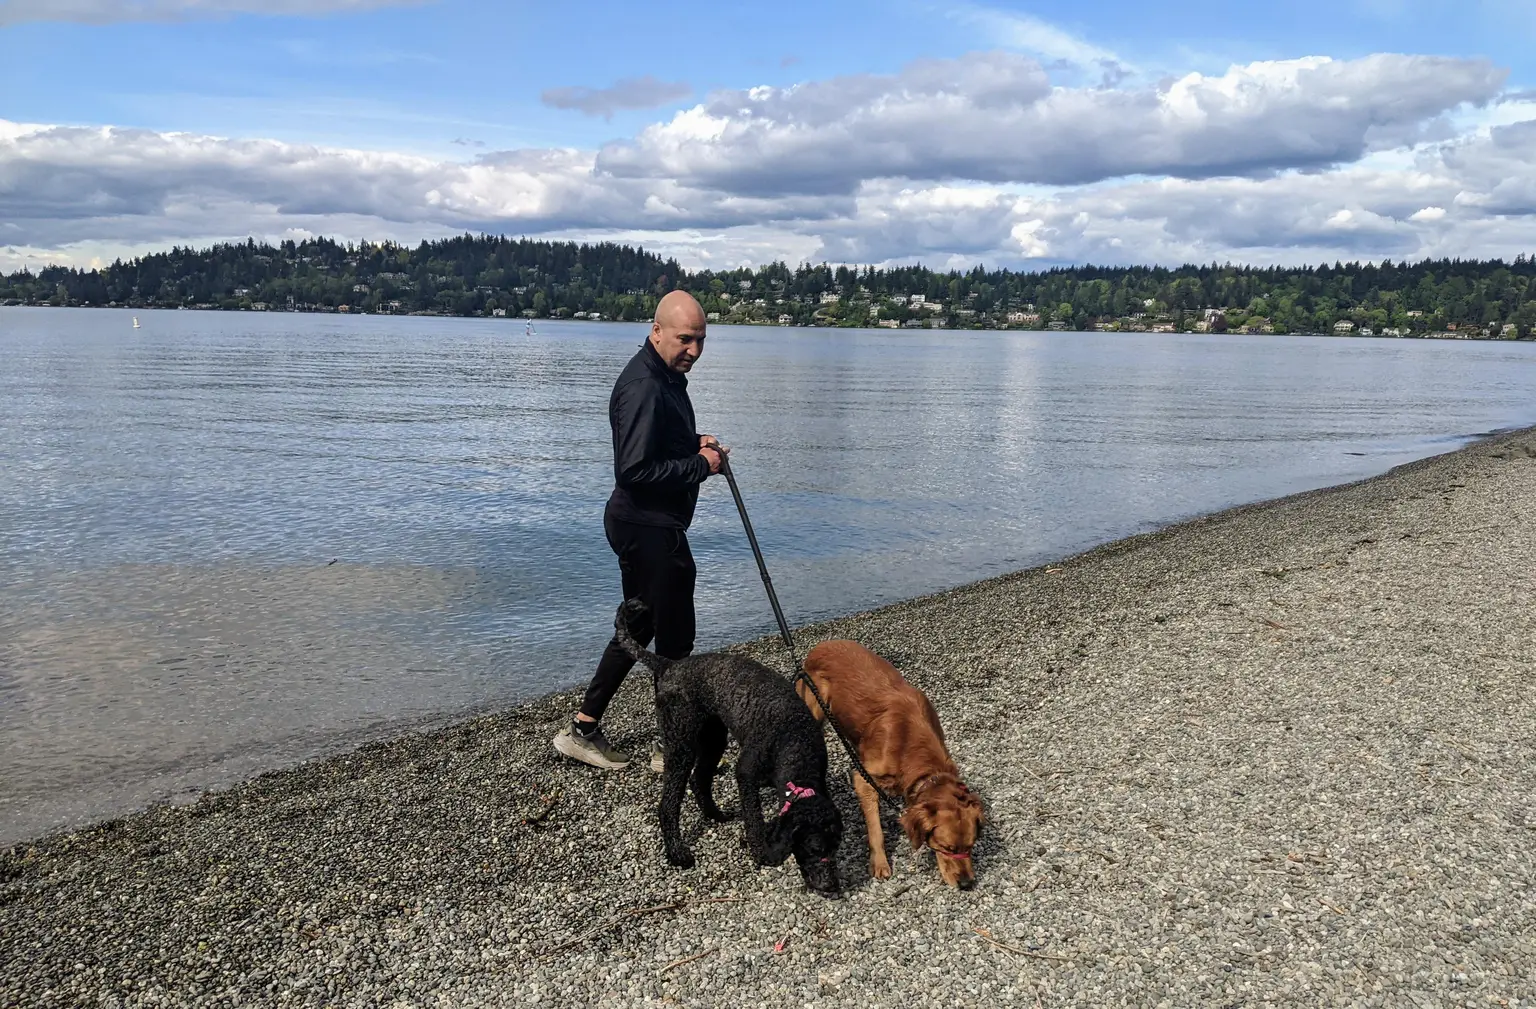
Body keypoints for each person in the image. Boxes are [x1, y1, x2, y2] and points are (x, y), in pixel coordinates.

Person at [553, 290, 727, 770]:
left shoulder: (665, 376)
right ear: (657, 331)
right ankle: (670, 749)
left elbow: (656, 443)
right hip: (647, 526)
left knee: (638, 627)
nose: (693, 350)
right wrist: (699, 465)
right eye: (684, 339)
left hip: (643, 522)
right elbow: (633, 470)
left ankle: (584, 730)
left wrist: (694, 442)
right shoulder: (644, 385)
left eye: (700, 340)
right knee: (676, 641)